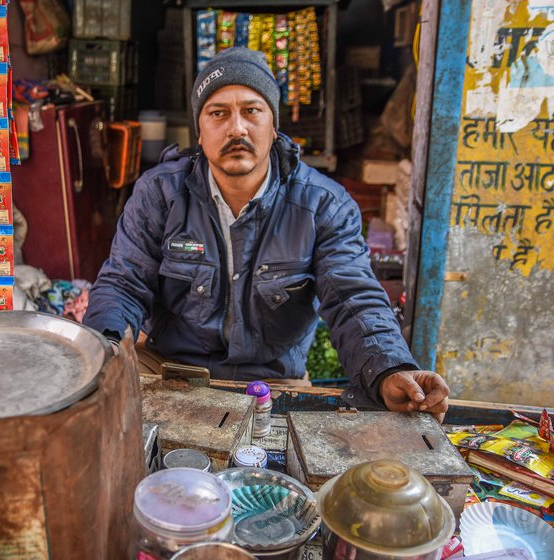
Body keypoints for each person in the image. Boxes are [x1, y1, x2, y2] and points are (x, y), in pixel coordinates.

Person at [83, 47, 450, 421]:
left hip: (274, 384)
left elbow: (352, 297)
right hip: (169, 370)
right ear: (201, 128)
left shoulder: (323, 204)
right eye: (218, 113)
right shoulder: (159, 193)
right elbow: (124, 282)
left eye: (251, 111)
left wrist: (388, 368)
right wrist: (104, 347)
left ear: (273, 125)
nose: (237, 128)